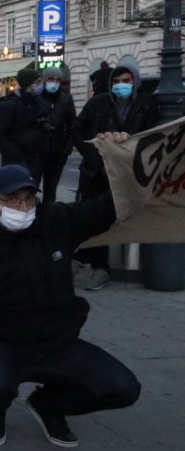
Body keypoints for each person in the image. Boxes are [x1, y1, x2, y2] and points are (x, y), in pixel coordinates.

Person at [0, 161, 141, 448]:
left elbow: (110, 207)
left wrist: (125, 159)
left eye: (29, 199)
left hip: (58, 344)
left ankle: (49, 405)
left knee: (124, 388)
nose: (23, 208)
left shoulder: (56, 221)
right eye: (13, 200)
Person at [70, 63, 159, 290]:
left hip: (127, 172)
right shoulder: (98, 102)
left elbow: (154, 134)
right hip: (96, 171)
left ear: (135, 82)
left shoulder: (147, 104)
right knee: (92, 216)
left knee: (115, 216)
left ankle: (101, 266)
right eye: (117, 81)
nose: (121, 86)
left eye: (126, 81)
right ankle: (91, 262)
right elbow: (76, 128)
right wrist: (90, 151)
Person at [0, 67, 48, 181]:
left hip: (34, 160)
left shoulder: (36, 102)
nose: (41, 86)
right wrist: (16, 155)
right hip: (15, 163)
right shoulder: (10, 105)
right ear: (28, 84)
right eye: (37, 82)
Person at [36, 67, 76, 203]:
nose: (54, 82)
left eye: (58, 80)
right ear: (44, 80)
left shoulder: (66, 99)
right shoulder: (36, 98)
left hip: (58, 152)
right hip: (38, 151)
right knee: (32, 188)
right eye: (51, 79)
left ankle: (48, 214)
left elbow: (73, 125)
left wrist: (68, 148)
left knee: (51, 190)